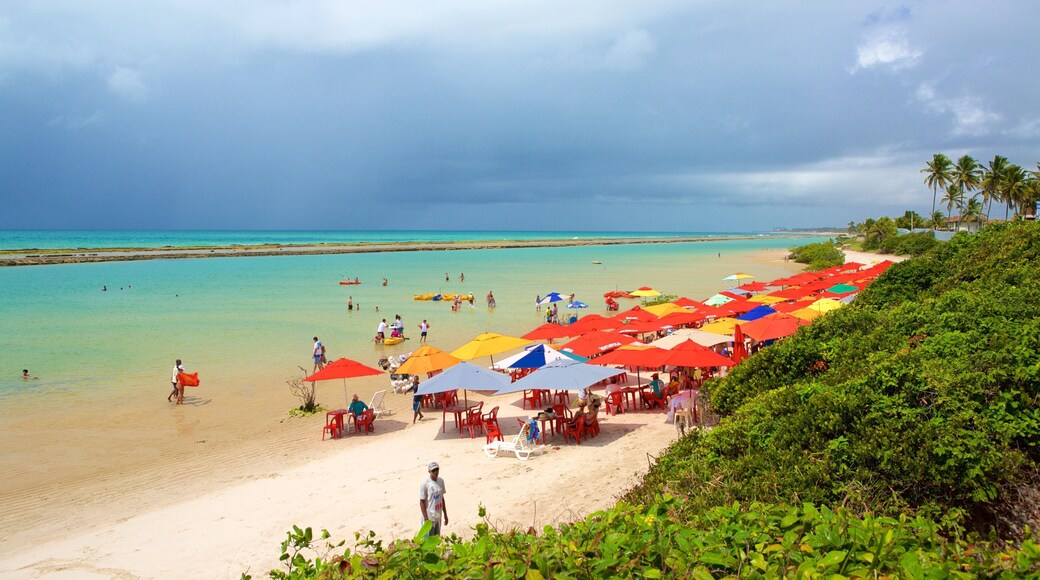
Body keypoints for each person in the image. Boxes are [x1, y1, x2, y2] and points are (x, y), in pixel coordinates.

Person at [419, 462, 448, 536]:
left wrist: (445, 514)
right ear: (429, 471)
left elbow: (442, 498)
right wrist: (426, 519)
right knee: (428, 540)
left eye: (437, 469)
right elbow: (422, 501)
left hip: (438, 516)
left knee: (436, 538)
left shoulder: (441, 481)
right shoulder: (425, 483)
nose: (436, 472)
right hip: (429, 517)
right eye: (433, 470)